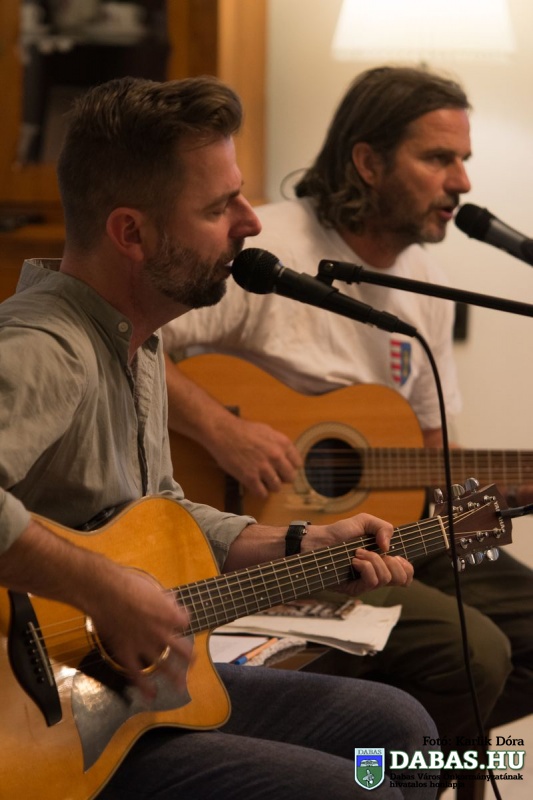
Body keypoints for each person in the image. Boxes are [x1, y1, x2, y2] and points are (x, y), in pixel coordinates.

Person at [0, 75, 440, 800]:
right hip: (41, 730)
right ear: (131, 233)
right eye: (217, 207)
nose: (250, 221)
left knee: (403, 734)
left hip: (114, 690)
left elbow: (162, 517)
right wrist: (102, 588)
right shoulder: (46, 348)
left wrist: (298, 543)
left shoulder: (137, 340)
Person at [163, 66, 533, 753]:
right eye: (438, 158)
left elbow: (433, 458)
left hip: (389, 534)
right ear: (367, 162)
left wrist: (503, 489)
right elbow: (134, 347)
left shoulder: (425, 285)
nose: (462, 182)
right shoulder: (266, 252)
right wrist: (223, 430)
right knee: (474, 652)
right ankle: (366, 768)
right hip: (271, 538)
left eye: (463, 160)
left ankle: (380, 766)